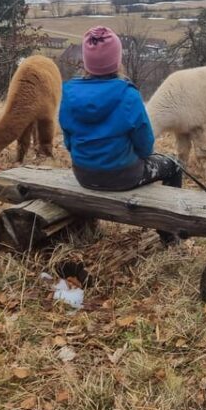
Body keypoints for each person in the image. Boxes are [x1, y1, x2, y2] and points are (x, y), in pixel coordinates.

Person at [59, 26, 183, 245]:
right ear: (116, 60)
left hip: (83, 174)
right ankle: (169, 234)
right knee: (174, 165)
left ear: (87, 62)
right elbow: (145, 147)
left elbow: (69, 141)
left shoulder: (68, 93)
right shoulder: (128, 94)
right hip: (124, 176)